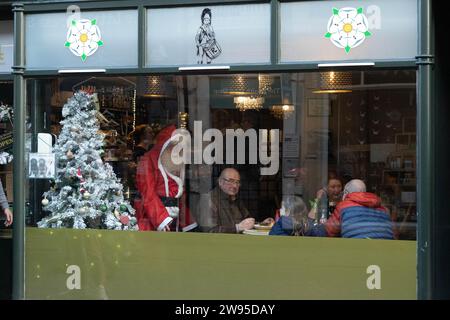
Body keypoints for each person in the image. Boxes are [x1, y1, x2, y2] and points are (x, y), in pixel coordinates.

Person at [135, 124, 197, 232]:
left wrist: (188, 222)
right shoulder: (148, 161)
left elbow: (179, 197)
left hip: (174, 221)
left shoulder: (174, 166)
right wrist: (161, 219)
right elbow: (148, 192)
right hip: (153, 219)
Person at [308, 179, 394, 239]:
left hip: (357, 250)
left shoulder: (344, 206)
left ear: (345, 193)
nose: (337, 190)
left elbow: (327, 231)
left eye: (339, 187)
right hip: (385, 249)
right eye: (333, 187)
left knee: (313, 229)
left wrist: (318, 200)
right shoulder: (384, 209)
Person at [197, 167, 273, 233]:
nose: (235, 186)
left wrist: (261, 224)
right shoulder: (208, 200)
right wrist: (237, 228)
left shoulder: (235, 199)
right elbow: (210, 231)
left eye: (237, 182)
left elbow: (246, 222)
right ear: (220, 182)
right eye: (230, 181)